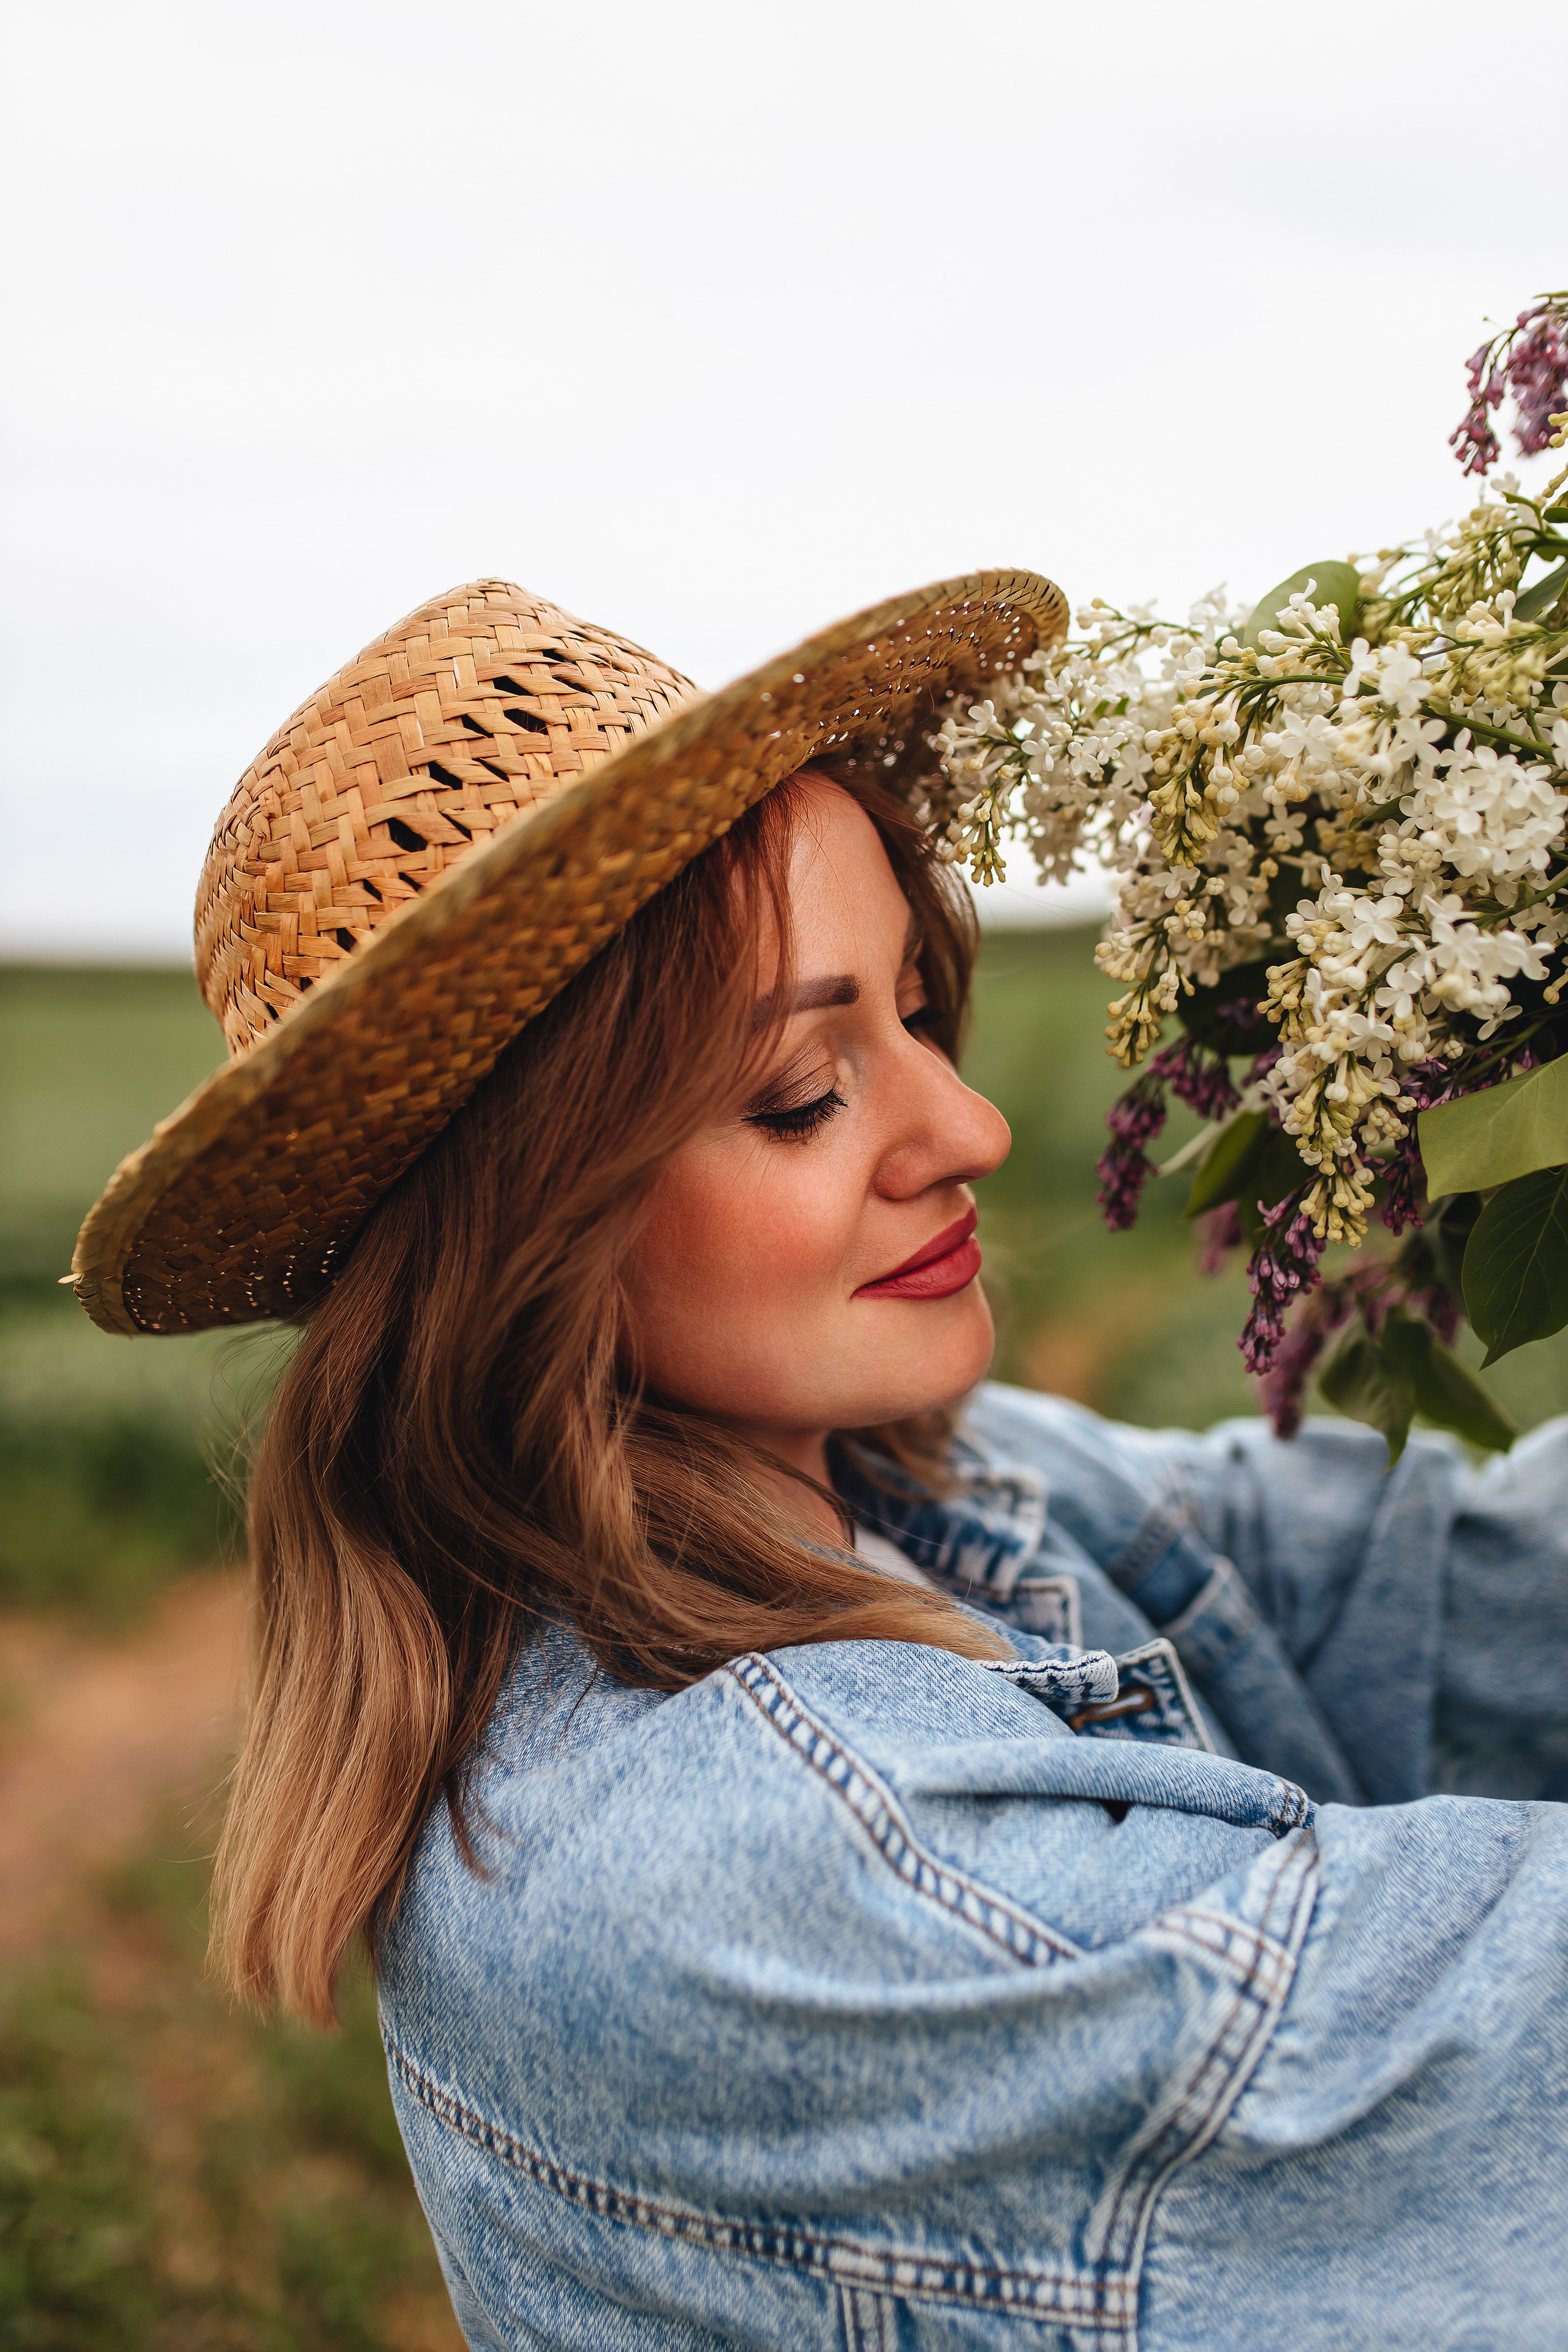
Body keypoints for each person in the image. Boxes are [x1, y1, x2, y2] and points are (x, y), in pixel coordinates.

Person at [75, 576, 1568, 2350]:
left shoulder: (904, 1488)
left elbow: (1438, 1577)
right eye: (800, 1092)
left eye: (921, 1017)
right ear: (534, 1226)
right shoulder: (771, 1864)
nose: (973, 1129)